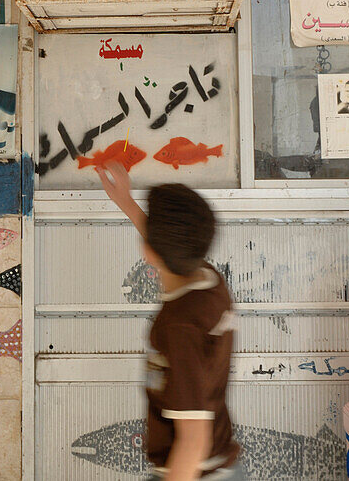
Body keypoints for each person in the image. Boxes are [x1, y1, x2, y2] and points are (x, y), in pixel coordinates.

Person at [96, 162, 244, 480]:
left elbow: (193, 440)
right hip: (214, 466)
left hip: (193, 471)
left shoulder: (180, 327)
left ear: (149, 252)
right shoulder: (208, 279)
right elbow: (167, 248)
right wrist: (127, 201)